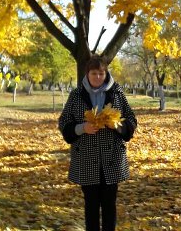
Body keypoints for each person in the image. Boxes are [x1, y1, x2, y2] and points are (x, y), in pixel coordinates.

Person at [58, 54, 137, 231]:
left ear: (105, 74)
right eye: (94, 73)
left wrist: (117, 126)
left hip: (112, 159)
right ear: (87, 74)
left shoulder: (117, 92)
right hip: (86, 159)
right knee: (91, 206)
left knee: (110, 205)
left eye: (101, 73)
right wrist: (81, 128)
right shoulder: (76, 95)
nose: (98, 77)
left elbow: (131, 119)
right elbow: (63, 122)